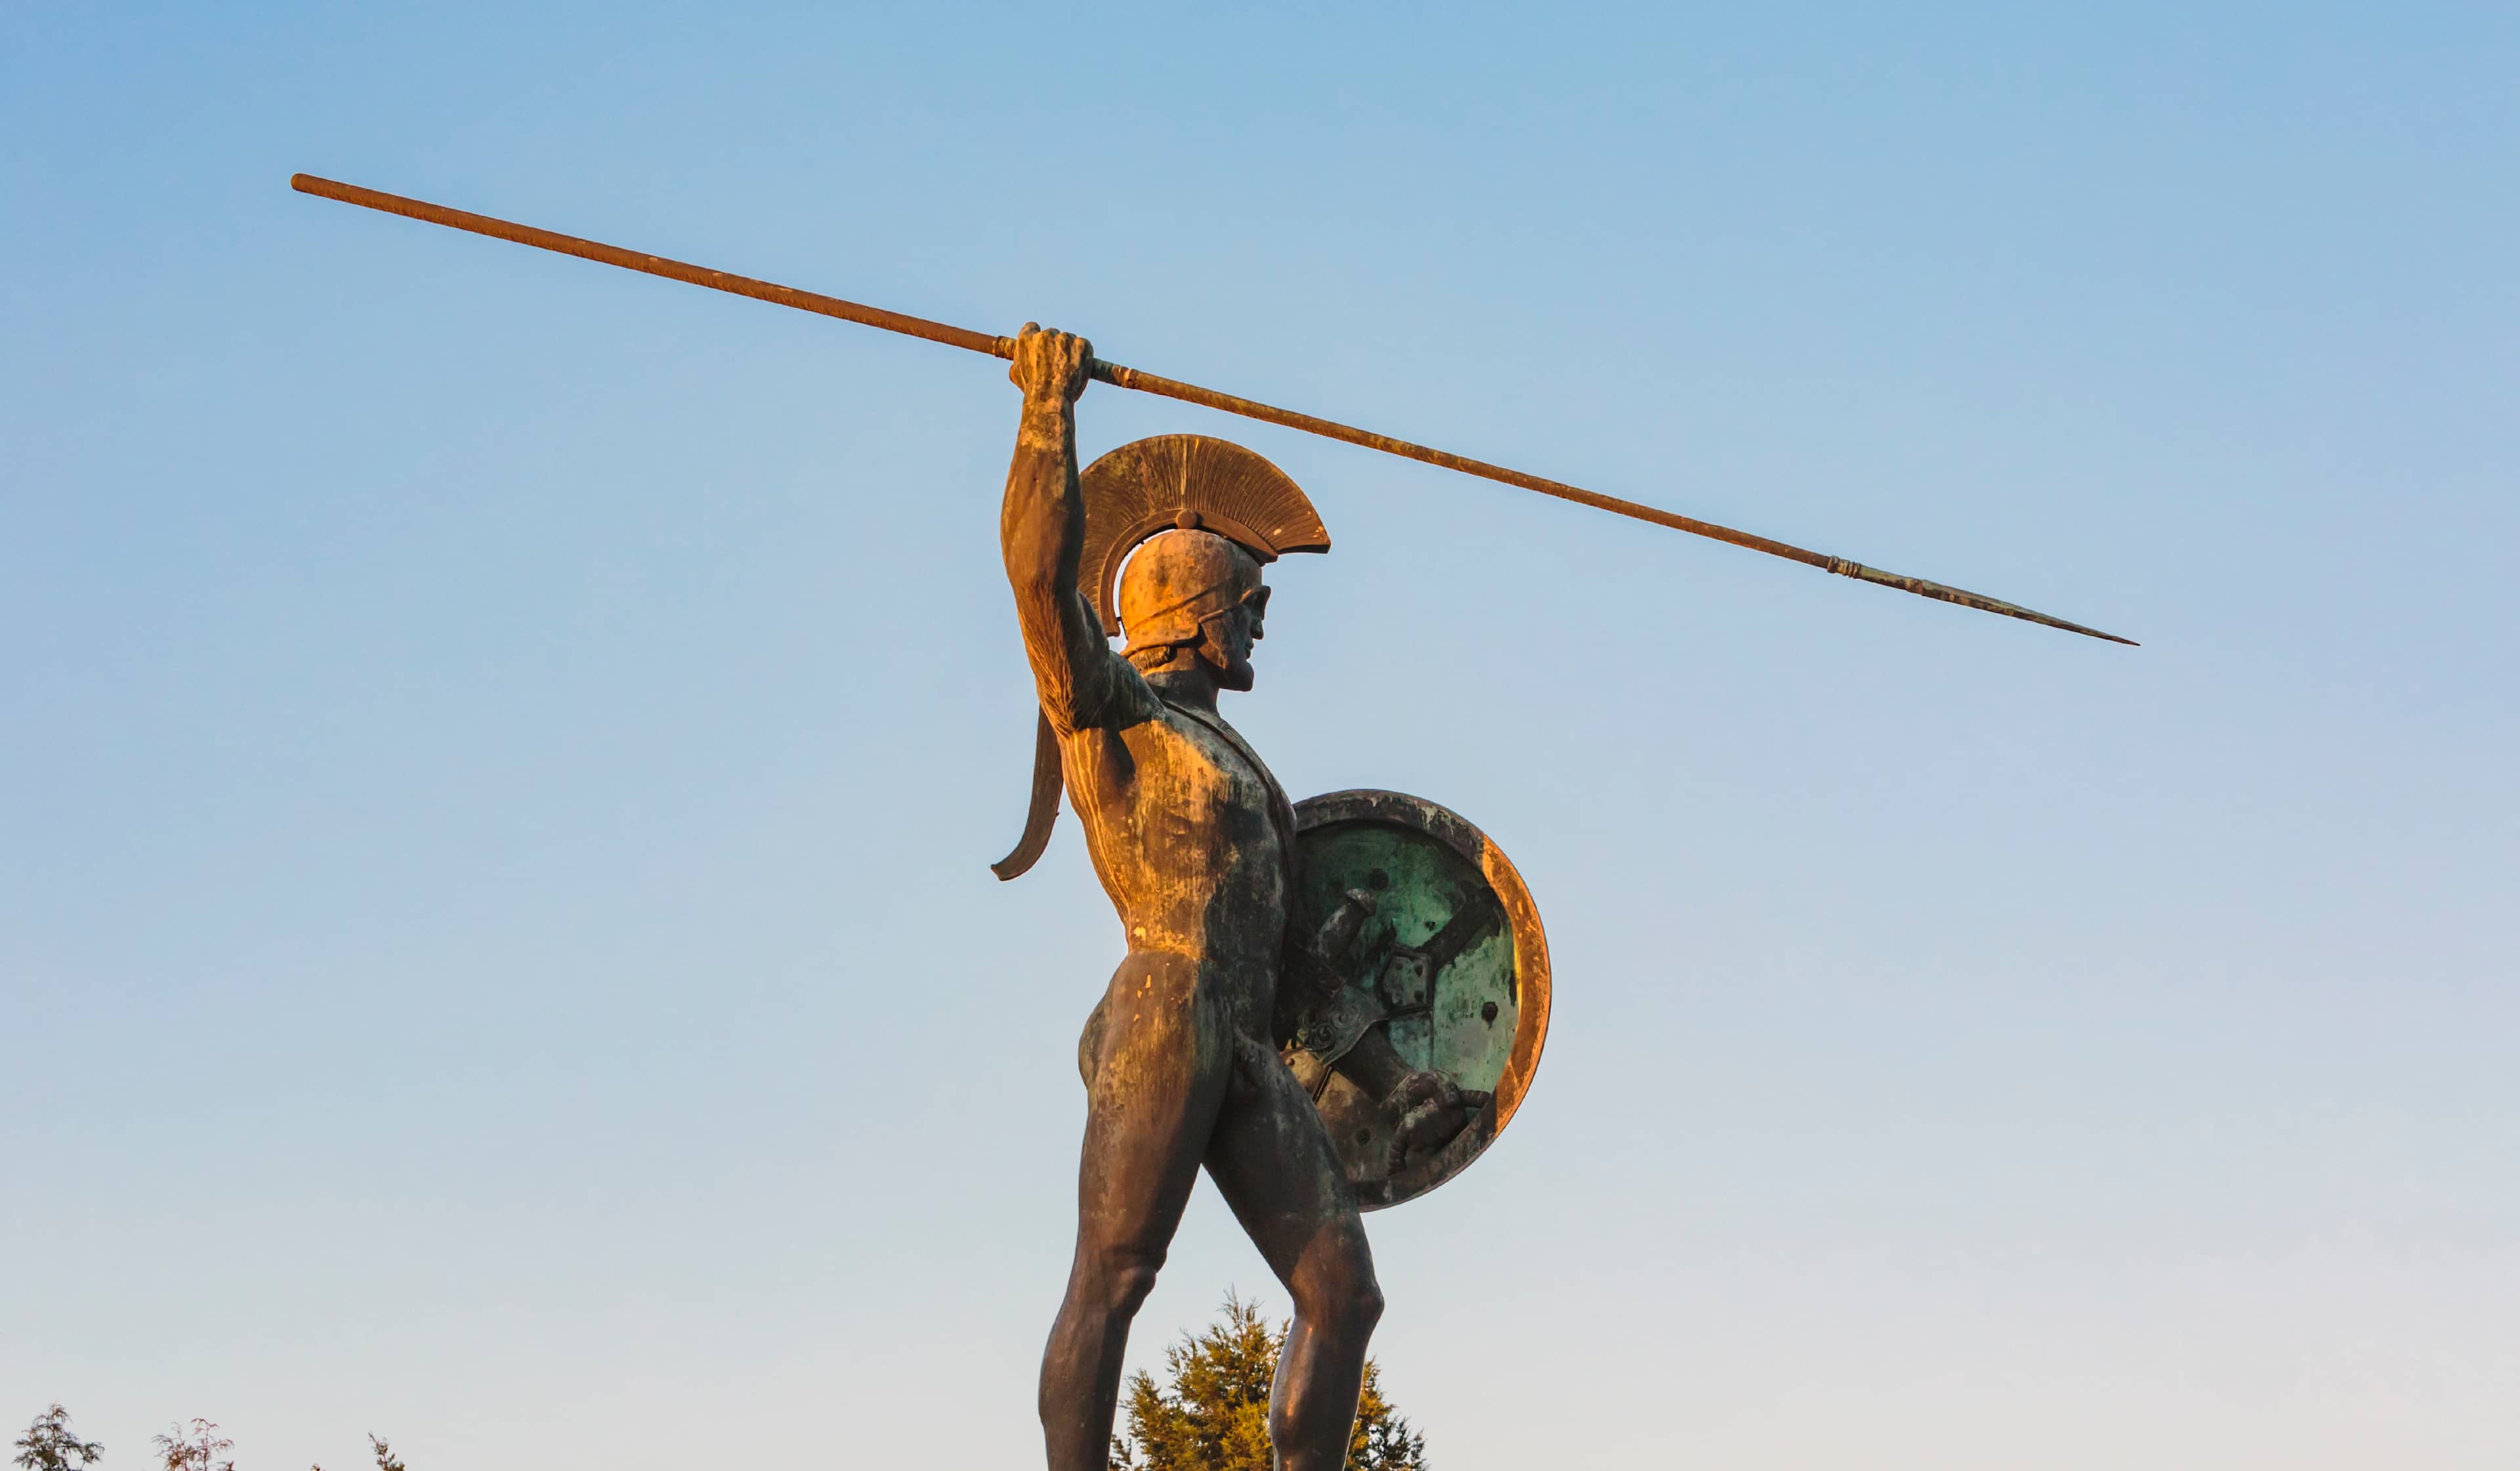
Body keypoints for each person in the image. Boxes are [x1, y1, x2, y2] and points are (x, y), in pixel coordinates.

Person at [1001, 325, 1469, 1470]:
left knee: (1344, 1293)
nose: (1261, 622)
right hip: (1165, 1002)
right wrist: (1047, 413)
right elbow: (1040, 585)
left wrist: (1396, 1083)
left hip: (1246, 1034)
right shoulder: (1114, 713)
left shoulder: (1250, 772)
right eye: (1249, 601)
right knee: (1116, 1273)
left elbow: (1296, 970)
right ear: (1199, 610)